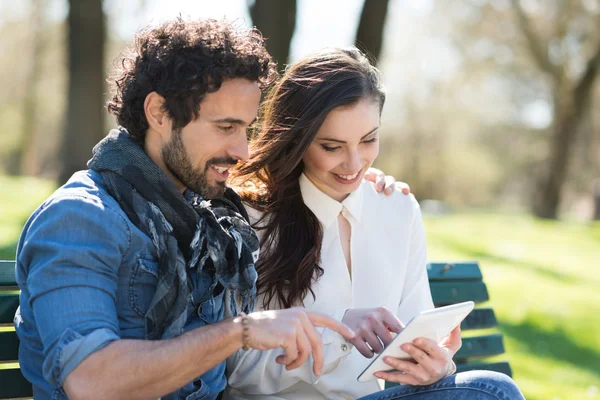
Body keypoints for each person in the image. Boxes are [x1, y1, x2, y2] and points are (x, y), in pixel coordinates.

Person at [13, 19, 415, 400]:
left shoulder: (210, 221)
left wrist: (357, 178)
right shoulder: (80, 218)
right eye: (225, 128)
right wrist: (239, 331)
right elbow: (91, 381)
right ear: (159, 113)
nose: (241, 151)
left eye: (246, 128)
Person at [224, 48, 525, 400]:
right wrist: (338, 334)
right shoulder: (251, 218)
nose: (354, 163)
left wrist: (438, 366)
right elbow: (239, 371)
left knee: (487, 391)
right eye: (332, 147)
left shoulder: (397, 209)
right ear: (297, 140)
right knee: (493, 391)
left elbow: (416, 331)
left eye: (368, 140)